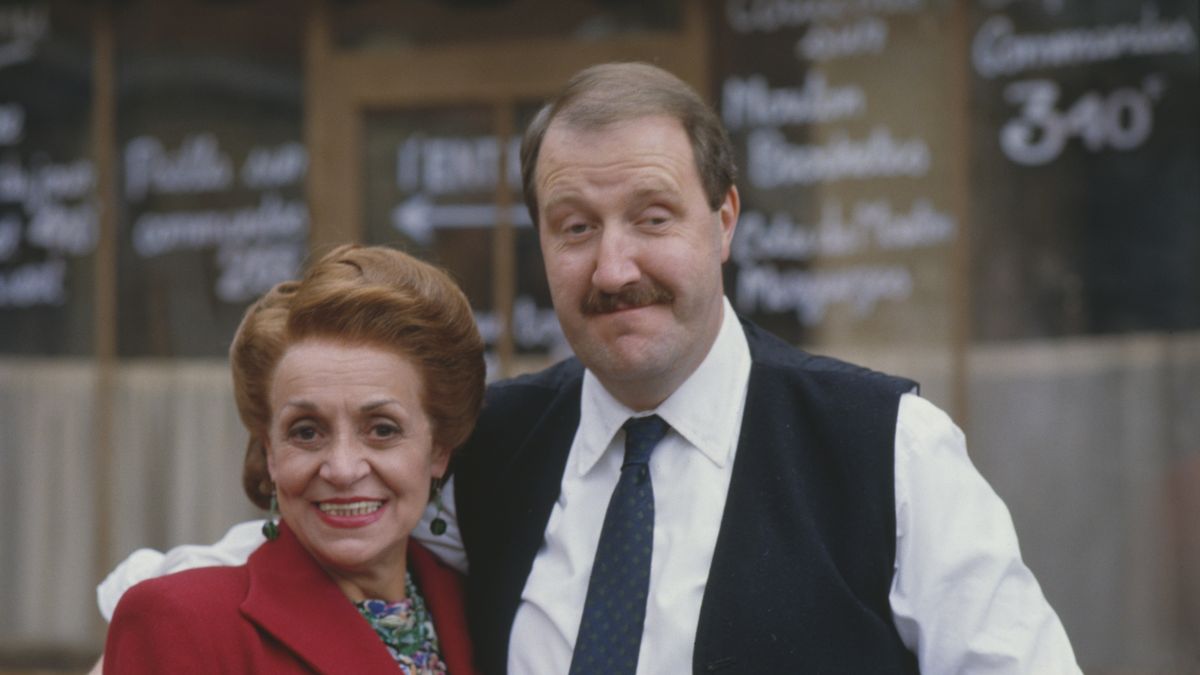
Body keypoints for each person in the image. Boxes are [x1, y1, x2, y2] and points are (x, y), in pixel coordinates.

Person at [97, 63, 1081, 673]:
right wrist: (141, 612)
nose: (616, 269)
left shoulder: (888, 450)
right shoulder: (491, 449)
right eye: (576, 229)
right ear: (541, 243)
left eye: (653, 219)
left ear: (725, 220)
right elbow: (322, 528)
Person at [102, 245, 485, 674]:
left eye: (382, 429)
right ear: (269, 452)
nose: (341, 469)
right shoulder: (179, 620)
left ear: (439, 449)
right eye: (306, 432)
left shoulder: (476, 607)